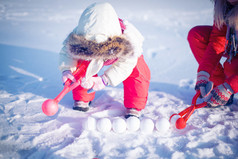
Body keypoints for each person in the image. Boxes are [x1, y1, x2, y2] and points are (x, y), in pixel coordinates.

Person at [58, 2, 151, 118]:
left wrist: (105, 79)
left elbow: (126, 65)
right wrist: (67, 69)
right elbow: (67, 52)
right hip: (89, 50)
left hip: (121, 53)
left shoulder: (128, 40)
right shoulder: (79, 35)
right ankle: (82, 97)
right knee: (79, 63)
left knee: (138, 71)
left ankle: (135, 104)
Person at [187, 0, 238, 107]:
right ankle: (218, 85)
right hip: (234, 44)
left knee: (232, 67)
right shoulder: (223, 5)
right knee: (197, 36)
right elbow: (218, 40)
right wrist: (204, 73)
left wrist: (230, 86)